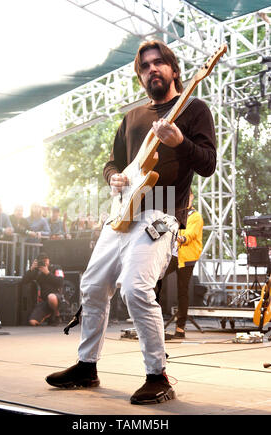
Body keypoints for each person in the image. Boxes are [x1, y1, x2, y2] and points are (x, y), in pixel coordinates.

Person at [45, 39, 216, 404]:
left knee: (135, 289)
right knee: (92, 287)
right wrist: (113, 179)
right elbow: (112, 164)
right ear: (140, 76)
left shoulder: (194, 108)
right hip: (121, 213)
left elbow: (208, 164)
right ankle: (86, 367)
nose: (151, 69)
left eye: (158, 63)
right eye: (144, 67)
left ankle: (158, 376)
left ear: (173, 69)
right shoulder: (133, 117)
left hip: (161, 213)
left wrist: (181, 140)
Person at [157, 189, 204, 338]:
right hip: (173, 255)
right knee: (156, 279)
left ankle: (180, 329)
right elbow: (161, 227)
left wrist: (178, 237)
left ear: (192, 197)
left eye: (188, 197)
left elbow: (189, 235)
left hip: (187, 257)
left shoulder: (195, 216)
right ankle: (155, 324)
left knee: (182, 292)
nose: (185, 199)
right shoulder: (174, 213)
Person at [20, 252, 64, 326]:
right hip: (44, 301)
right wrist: (31, 269)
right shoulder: (36, 271)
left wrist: (47, 273)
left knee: (51, 297)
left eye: (45, 261)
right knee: (32, 322)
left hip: (56, 297)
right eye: (41, 261)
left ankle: (56, 314)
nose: (44, 263)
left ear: (48, 260)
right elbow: (24, 281)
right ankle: (48, 314)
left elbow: (60, 282)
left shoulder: (56, 268)